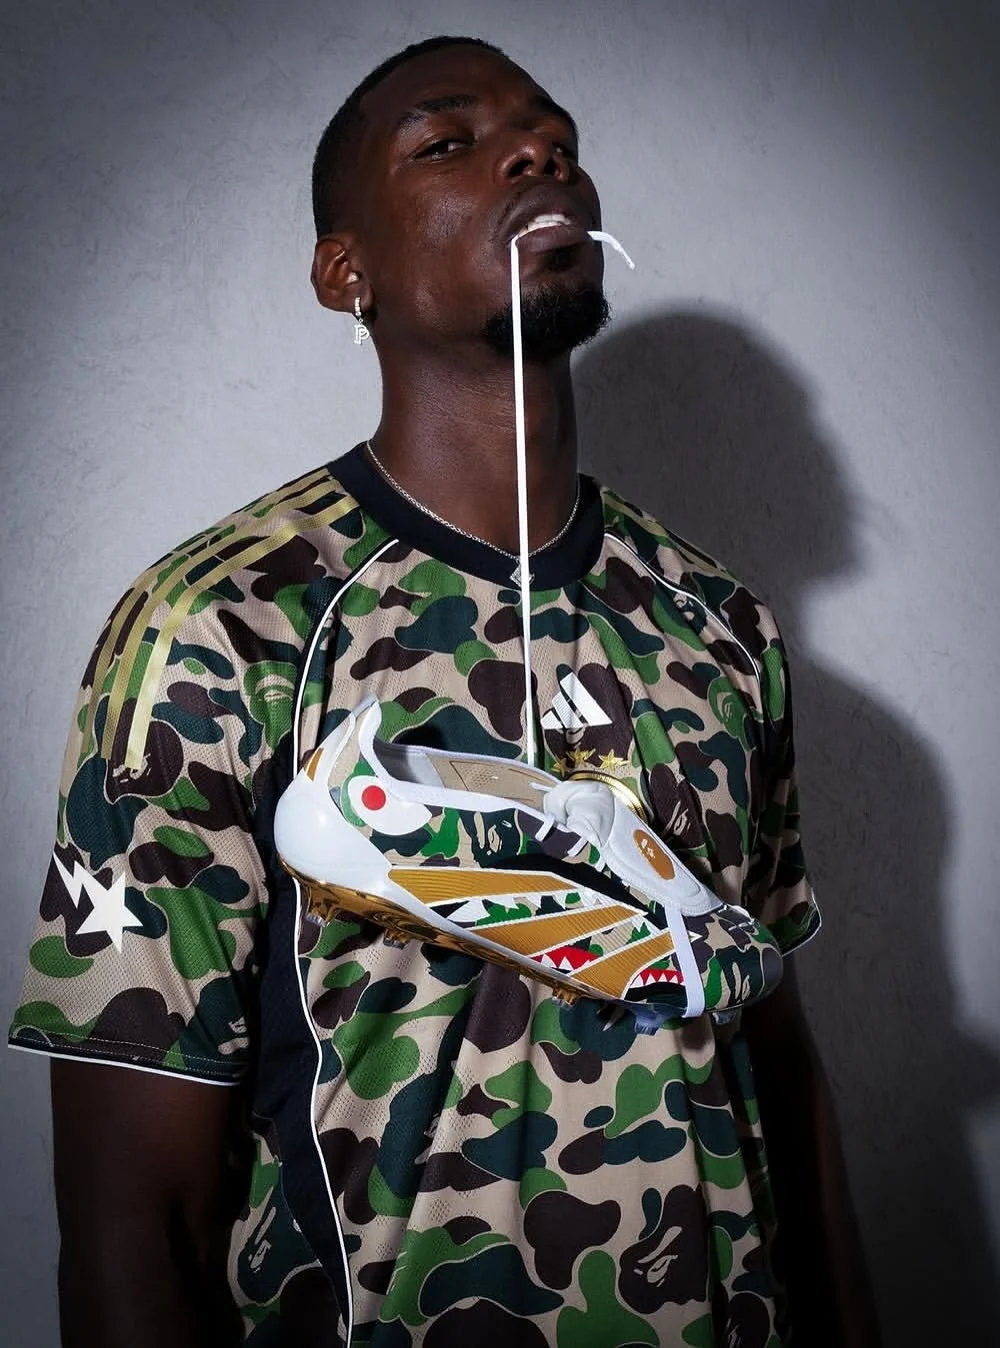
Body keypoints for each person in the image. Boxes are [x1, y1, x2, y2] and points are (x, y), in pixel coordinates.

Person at [10, 35, 879, 1348]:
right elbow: (134, 1213)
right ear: (344, 271)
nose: (539, 154)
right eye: (449, 143)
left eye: (556, 137)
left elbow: (780, 1074)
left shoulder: (720, 625)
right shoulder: (218, 626)